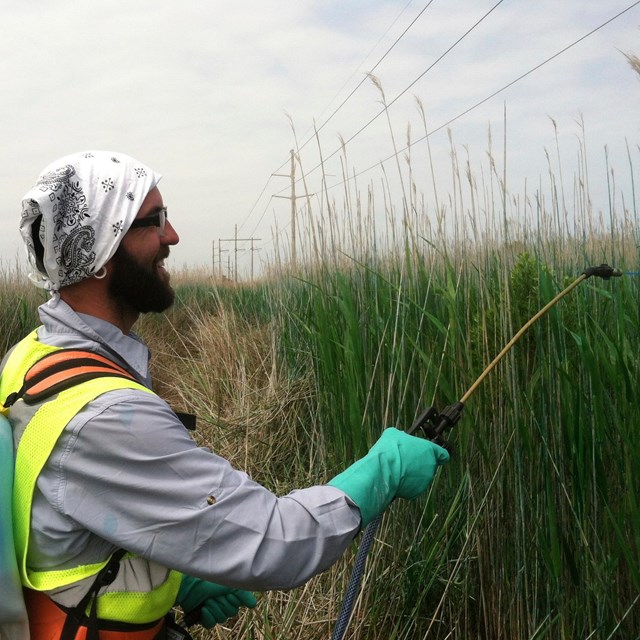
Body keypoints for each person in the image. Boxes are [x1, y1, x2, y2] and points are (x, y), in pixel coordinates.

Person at [0, 151, 450, 639]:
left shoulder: (30, 356)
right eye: (154, 222)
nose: (172, 236)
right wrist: (379, 474)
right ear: (101, 256)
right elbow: (275, 541)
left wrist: (174, 582)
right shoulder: (106, 415)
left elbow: (59, 518)